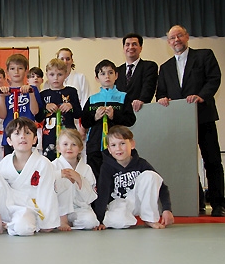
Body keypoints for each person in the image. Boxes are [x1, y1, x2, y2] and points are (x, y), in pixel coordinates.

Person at [156, 25, 224, 217]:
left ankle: (218, 203)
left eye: (179, 36)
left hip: (204, 117)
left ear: (186, 37)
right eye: (172, 38)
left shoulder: (204, 55)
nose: (176, 40)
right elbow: (161, 92)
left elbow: (214, 79)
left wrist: (202, 96)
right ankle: (196, 202)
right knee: (185, 163)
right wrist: (162, 99)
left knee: (212, 161)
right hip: (180, 122)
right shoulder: (165, 67)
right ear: (168, 42)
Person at [0, 117, 60, 236]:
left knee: (24, 229)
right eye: (17, 133)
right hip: (5, 207)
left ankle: (9, 224)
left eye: (27, 133)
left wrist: (47, 224)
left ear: (34, 139)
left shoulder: (43, 163)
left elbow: (47, 194)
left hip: (28, 209)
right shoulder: (5, 163)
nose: (22, 137)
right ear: (9, 141)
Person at [94, 125, 174, 230]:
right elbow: (103, 192)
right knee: (117, 222)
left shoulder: (141, 163)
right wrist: (100, 220)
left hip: (138, 201)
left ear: (132, 144)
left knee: (151, 176)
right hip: (119, 203)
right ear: (109, 149)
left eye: (122, 143)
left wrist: (167, 209)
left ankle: (149, 218)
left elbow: (161, 186)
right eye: (113, 145)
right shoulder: (106, 167)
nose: (118, 148)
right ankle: (125, 218)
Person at [81, 59, 136, 180]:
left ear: (116, 75)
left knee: (116, 178)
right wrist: (95, 117)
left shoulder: (123, 97)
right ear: (97, 78)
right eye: (103, 73)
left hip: (117, 147)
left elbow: (131, 120)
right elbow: (84, 121)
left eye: (110, 73)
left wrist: (114, 115)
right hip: (95, 147)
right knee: (96, 179)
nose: (107, 76)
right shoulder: (92, 99)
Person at [52, 128, 99, 231]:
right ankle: (62, 221)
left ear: (80, 148)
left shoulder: (86, 169)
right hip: (59, 209)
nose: (69, 147)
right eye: (65, 144)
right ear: (58, 147)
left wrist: (79, 179)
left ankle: (72, 223)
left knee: (90, 222)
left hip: (79, 208)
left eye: (74, 144)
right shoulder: (53, 166)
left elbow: (91, 197)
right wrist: (59, 175)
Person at [0, 54, 43, 156]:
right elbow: (2, 115)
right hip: (10, 136)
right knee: (10, 166)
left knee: (29, 165)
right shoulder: (4, 91)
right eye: (12, 69)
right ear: (7, 72)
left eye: (20, 68)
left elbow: (35, 111)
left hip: (27, 135)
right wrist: (1, 97)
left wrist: (30, 93)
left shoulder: (33, 89)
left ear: (26, 71)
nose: (16, 72)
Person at [39, 59, 82, 161]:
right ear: (47, 75)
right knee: (50, 161)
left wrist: (71, 106)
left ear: (66, 74)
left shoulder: (71, 91)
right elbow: (38, 116)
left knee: (69, 160)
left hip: (68, 135)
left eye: (60, 74)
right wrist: (46, 108)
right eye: (52, 74)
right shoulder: (43, 94)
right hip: (49, 136)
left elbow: (78, 113)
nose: (56, 78)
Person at [116, 33, 158, 112]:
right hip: (121, 115)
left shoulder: (149, 66)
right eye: (127, 44)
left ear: (140, 48)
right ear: (123, 48)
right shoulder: (117, 71)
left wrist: (141, 100)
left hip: (141, 111)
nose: (130, 47)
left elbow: (149, 87)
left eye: (134, 44)